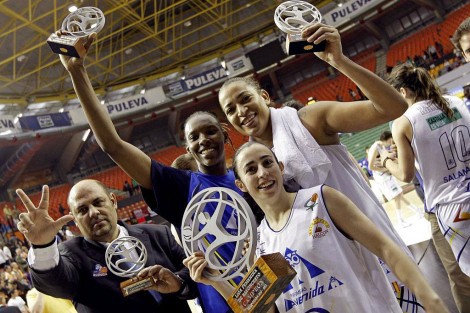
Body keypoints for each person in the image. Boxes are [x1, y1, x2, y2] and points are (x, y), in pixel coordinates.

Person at [218, 22, 421, 312]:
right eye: (231, 109)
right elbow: (259, 290)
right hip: (323, 288)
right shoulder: (256, 183)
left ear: (264, 97)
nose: (241, 111)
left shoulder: (308, 120)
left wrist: (339, 61)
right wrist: (215, 281)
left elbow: (394, 107)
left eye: (245, 99)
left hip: (373, 255)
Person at [57, 31, 242, 313]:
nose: (203, 140)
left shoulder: (251, 176)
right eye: (194, 137)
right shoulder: (181, 187)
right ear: (187, 149)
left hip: (276, 299)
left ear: (225, 134)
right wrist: (77, 72)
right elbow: (113, 146)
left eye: (210, 131)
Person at [184, 142, 449, 313]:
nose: (263, 172)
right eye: (251, 169)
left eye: (267, 162)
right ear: (241, 185)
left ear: (280, 167)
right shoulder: (260, 242)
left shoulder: (321, 200)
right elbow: (263, 310)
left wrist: (431, 300)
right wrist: (213, 281)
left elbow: (385, 249)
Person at [15, 180, 198, 313]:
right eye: (82, 210)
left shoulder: (157, 233)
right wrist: (42, 245)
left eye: (97, 202)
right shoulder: (71, 255)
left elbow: (192, 275)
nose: (93, 213)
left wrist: (178, 283)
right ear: (74, 219)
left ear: (113, 200)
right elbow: (55, 283)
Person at [381, 63, 470, 312]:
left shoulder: (403, 122)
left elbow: (407, 175)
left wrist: (387, 161)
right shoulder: (456, 102)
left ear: (403, 92)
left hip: (447, 208)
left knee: (461, 279)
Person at [367, 131, 421, 227]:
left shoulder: (380, 146)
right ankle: (400, 220)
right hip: (383, 176)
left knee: (399, 194)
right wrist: (385, 168)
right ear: (389, 139)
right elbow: (370, 166)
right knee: (397, 197)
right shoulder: (377, 145)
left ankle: (416, 210)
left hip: (385, 175)